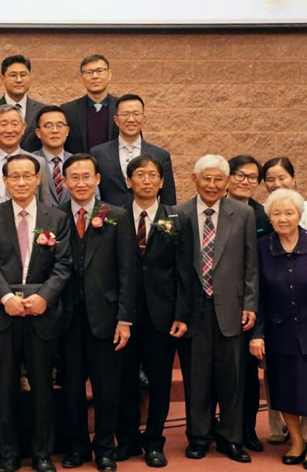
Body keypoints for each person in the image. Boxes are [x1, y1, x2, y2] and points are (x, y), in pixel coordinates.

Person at [0, 154, 72, 472]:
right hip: (3, 315)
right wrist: (6, 297)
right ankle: (9, 454)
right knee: (5, 387)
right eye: (14, 176)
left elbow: (63, 264)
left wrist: (45, 297)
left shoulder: (55, 217)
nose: (20, 182)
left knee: (42, 386)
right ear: (4, 181)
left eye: (26, 176)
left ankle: (42, 453)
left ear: (37, 179)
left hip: (41, 314)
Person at [115, 155, 198, 467]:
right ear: (129, 181)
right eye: (140, 174)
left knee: (160, 380)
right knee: (124, 379)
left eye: (153, 175)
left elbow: (185, 271)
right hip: (123, 315)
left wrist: (181, 314)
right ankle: (126, 440)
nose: (146, 180)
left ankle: (153, 441)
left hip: (162, 315)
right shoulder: (115, 217)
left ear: (162, 182)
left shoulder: (177, 219)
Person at [177, 154, 259, 462]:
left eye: (218, 179)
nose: (212, 185)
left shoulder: (243, 214)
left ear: (226, 182)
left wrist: (250, 303)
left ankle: (230, 438)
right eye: (206, 178)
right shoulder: (179, 213)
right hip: (193, 310)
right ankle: (199, 436)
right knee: (196, 378)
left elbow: (251, 264)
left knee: (232, 378)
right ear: (194, 179)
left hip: (232, 308)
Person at [58, 154, 135, 472]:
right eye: (74, 177)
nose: (81, 183)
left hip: (106, 317)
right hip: (65, 319)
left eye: (86, 176)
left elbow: (128, 271)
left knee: (107, 389)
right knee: (71, 388)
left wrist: (125, 319)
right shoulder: (53, 216)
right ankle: (77, 447)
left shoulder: (116, 216)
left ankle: (105, 448)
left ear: (98, 179)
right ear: (64, 182)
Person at [250, 189, 307, 465]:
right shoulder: (262, 247)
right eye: (277, 213)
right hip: (279, 333)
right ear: (269, 218)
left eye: (289, 213)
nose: (283, 218)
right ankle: (296, 441)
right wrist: (257, 334)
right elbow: (256, 294)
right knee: (285, 391)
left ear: (299, 215)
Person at [227, 154, 276, 451]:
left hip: (252, 303)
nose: (246, 182)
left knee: (246, 373)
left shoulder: (263, 216)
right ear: (229, 176)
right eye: (240, 175)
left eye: (252, 178)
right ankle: (218, 428)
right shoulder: (215, 209)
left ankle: (247, 429)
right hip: (219, 302)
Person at [90, 95, 176, 207]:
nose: (131, 119)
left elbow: (168, 200)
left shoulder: (160, 155)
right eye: (125, 114)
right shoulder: (98, 153)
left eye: (136, 114)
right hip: (109, 216)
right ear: (116, 120)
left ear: (144, 118)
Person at [0, 104, 46, 207]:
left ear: (23, 128)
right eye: (4, 124)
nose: (10, 130)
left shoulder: (38, 162)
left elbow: (45, 205)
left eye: (15, 124)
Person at [0, 55, 44, 152]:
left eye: (23, 75)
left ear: (30, 77)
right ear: (2, 78)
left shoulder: (42, 111)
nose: (19, 80)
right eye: (13, 75)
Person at [62, 55, 119, 154]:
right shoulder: (67, 111)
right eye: (89, 72)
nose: (95, 76)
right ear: (81, 78)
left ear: (109, 74)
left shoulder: (122, 108)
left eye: (100, 71)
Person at [32, 106, 72, 205]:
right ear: (38, 133)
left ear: (67, 131)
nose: (55, 130)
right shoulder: (30, 162)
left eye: (60, 125)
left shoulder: (77, 162)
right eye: (48, 126)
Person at [262, 157, 307, 230]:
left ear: (293, 178)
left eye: (282, 178)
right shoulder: (261, 211)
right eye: (270, 180)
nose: (277, 184)